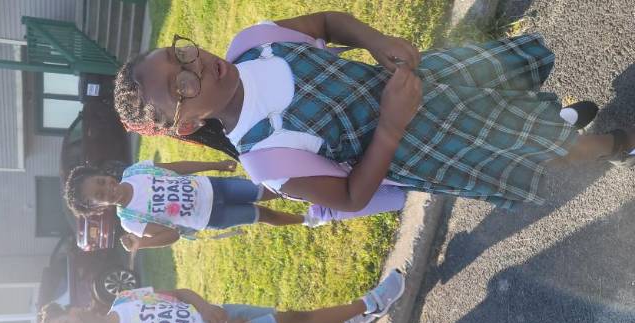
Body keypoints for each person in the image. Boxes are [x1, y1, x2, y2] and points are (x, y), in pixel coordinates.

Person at [112, 11, 635, 215]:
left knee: (502, 103)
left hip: (424, 83)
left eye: (181, 54)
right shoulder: (265, 158)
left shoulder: (254, 43)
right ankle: (608, 147)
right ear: (184, 124)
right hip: (424, 142)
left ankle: (553, 122)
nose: (196, 65)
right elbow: (352, 195)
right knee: (522, 146)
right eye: (182, 84)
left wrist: (376, 40)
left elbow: (327, 23)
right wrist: (390, 124)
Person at [37, 269, 405, 323]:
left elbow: (177, 293)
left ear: (71, 312)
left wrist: (205, 306)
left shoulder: (125, 300)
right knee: (291, 321)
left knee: (290, 317)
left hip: (218, 316)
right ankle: (371, 304)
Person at [64, 159, 312, 249]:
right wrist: (143, 242)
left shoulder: (135, 172)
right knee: (262, 214)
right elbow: (171, 235)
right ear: (99, 207)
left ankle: (312, 192)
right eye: (101, 194)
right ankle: (311, 220)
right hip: (212, 216)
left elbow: (177, 168)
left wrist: (214, 165)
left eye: (101, 181)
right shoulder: (130, 220)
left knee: (267, 190)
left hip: (213, 186)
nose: (108, 188)